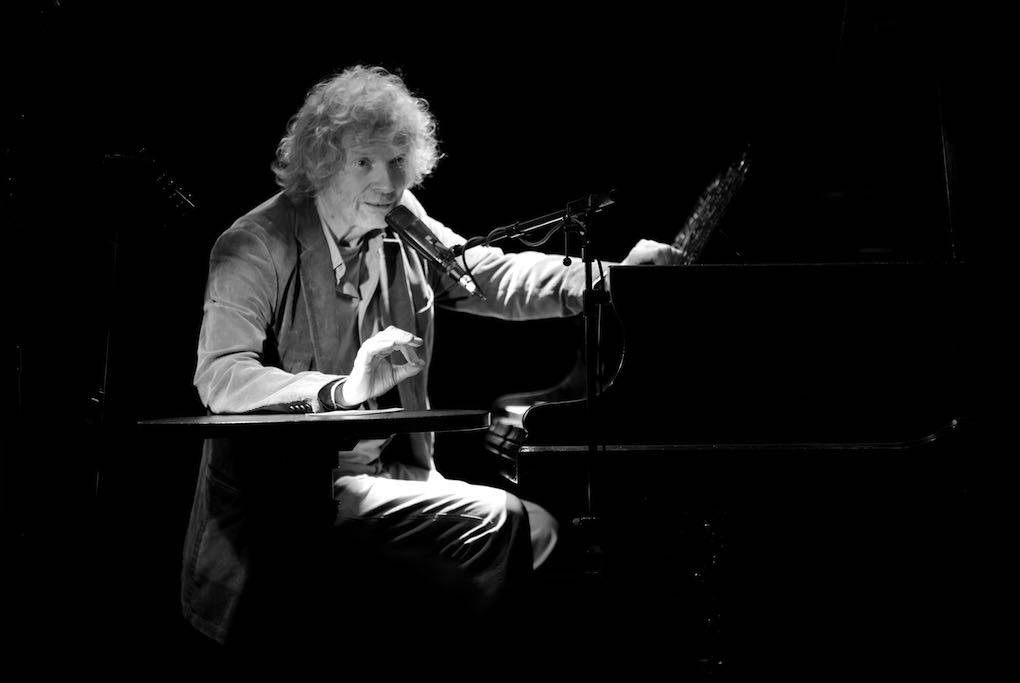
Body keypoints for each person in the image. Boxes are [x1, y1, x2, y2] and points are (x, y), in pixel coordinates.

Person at [181, 65, 682, 649]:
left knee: (542, 534)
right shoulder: (254, 243)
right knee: (501, 520)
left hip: (388, 475)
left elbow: (484, 275)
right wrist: (341, 390)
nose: (387, 180)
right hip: (296, 496)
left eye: (397, 160)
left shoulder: (400, 217)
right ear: (322, 163)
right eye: (363, 161)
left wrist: (609, 278)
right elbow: (222, 374)